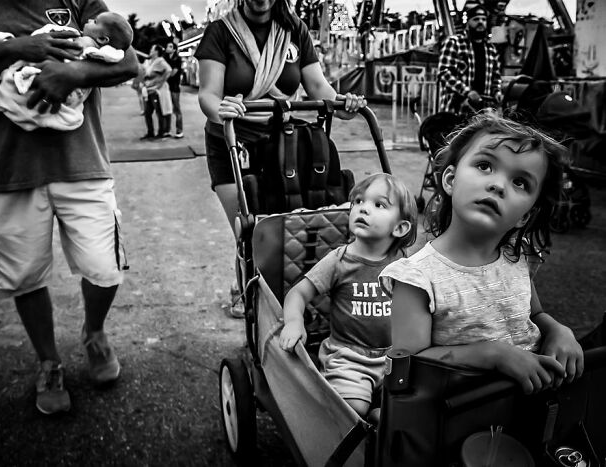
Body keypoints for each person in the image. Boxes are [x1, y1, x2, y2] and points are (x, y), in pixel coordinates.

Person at [0, 0, 138, 415]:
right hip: (10, 169)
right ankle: (49, 362)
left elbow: (128, 61)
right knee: (24, 275)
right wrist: (13, 50)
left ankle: (94, 332)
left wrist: (76, 73)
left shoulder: (80, 2)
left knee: (105, 267)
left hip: (83, 164)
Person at [379, 112, 585, 395]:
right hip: (453, 423)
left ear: (526, 215)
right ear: (450, 180)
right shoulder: (416, 277)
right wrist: (493, 356)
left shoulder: (515, 259)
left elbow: (534, 314)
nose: (498, 185)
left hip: (524, 413)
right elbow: (409, 366)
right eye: (485, 165)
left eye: (520, 182)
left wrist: (558, 330)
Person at [195, 0, 367, 318]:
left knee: (289, 228)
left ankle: (291, 296)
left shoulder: (294, 30)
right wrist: (219, 109)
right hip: (233, 141)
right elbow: (208, 93)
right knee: (249, 230)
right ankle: (251, 296)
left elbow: (318, 87)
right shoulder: (220, 32)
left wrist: (344, 104)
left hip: (281, 144)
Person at [279, 173, 417, 416]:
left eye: (379, 204)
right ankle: (366, 417)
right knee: (353, 408)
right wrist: (293, 322)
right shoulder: (339, 260)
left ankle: (380, 419)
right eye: (358, 201)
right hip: (348, 357)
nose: (363, 209)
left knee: (411, 406)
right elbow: (298, 293)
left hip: (393, 355)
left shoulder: (402, 262)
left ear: (400, 227)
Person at [0, 11, 133, 131]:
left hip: (56, 80)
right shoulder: (99, 48)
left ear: (102, 39)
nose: (89, 19)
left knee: (18, 80)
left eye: (95, 21)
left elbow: (131, 66)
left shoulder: (86, 41)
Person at [437, 3, 502, 115]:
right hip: (456, 112)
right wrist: (467, 92)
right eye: (476, 19)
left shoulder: (491, 49)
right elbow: (444, 74)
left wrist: (497, 93)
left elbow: (496, 78)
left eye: (483, 19)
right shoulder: (454, 43)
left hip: (482, 113)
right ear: (467, 22)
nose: (480, 22)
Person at [139, 44, 172, 140]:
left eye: (152, 49)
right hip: (148, 90)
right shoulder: (150, 62)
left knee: (159, 112)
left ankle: (161, 132)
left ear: (156, 52)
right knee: (147, 112)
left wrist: (161, 82)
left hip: (155, 91)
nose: (150, 51)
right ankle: (150, 132)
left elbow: (168, 70)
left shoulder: (160, 61)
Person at [164, 41, 184, 138]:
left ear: (174, 49)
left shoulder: (177, 59)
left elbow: (173, 73)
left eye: (170, 46)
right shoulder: (165, 58)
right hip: (166, 87)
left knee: (177, 109)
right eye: (168, 46)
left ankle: (179, 130)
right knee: (167, 109)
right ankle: (167, 130)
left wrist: (164, 75)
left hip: (174, 88)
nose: (168, 48)